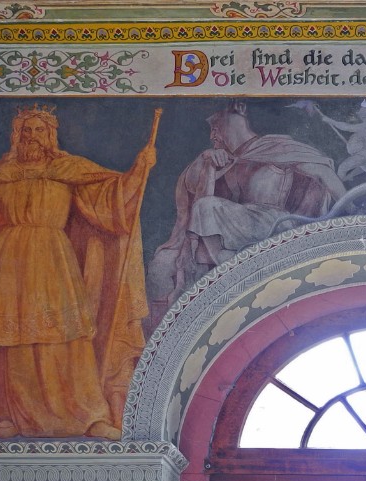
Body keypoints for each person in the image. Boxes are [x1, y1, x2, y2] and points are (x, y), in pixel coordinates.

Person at [0, 106, 155, 439]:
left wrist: (139, 169)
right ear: (16, 136)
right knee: (5, 341)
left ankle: (86, 416)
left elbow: (109, 204)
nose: (32, 136)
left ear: (50, 136)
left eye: (38, 130)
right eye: (26, 130)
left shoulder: (68, 171)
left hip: (53, 263)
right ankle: (2, 415)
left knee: (65, 339)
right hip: (2, 266)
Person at [146, 101, 345, 326]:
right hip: (243, 223)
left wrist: (351, 209)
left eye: (216, 125)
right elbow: (194, 191)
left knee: (205, 207)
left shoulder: (277, 148)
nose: (212, 134)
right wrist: (207, 163)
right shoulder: (228, 161)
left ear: (239, 110)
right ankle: (221, 264)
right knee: (177, 243)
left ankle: (223, 262)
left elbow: (323, 173)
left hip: (276, 222)